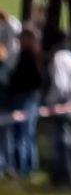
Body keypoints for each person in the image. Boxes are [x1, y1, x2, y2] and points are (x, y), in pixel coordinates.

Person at [2, 24, 43, 179]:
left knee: (23, 135)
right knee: (26, 134)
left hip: (25, 99)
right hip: (26, 98)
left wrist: (14, 86)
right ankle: (27, 167)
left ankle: (23, 168)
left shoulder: (29, 56)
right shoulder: (29, 54)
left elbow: (33, 79)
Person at [44, 29, 71, 185]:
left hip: (60, 103)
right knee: (67, 140)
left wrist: (50, 101)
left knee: (59, 142)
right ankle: (68, 172)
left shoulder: (58, 58)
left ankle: (61, 175)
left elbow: (60, 84)